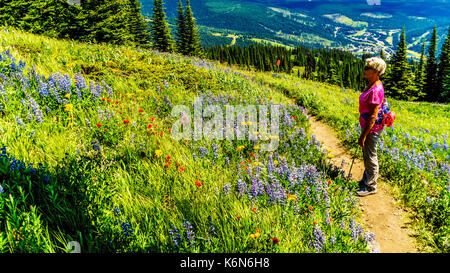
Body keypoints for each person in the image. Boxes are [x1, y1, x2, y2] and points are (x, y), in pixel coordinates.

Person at [357, 57, 387, 197]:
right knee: (367, 154)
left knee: (370, 156)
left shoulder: (375, 89)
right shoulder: (372, 84)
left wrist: (363, 135)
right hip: (368, 127)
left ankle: (371, 186)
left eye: (367, 68)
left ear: (375, 72)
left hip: (371, 129)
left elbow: (373, 116)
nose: (364, 69)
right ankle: (366, 180)